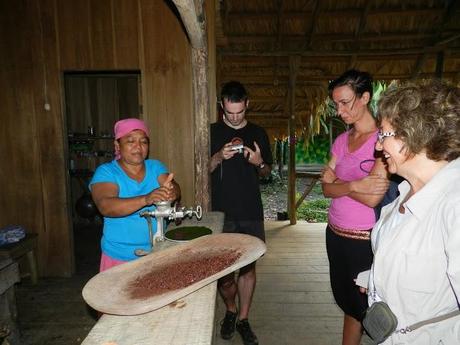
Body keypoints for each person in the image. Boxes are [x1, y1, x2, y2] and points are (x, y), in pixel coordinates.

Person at [366, 80, 460, 344]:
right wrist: (377, 282)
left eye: (383, 134)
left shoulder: (455, 203)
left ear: (412, 134)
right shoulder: (406, 190)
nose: (377, 146)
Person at [321, 70, 389, 345]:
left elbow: (374, 197)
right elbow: (326, 189)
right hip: (334, 234)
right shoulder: (341, 141)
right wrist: (352, 185)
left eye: (345, 102)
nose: (339, 110)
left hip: (364, 239)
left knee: (370, 308)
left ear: (365, 97)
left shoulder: (383, 141)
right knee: (350, 305)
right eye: (336, 104)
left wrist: (339, 182)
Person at [210, 81, 273, 345]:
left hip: (250, 211)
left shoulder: (258, 132)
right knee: (224, 275)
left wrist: (259, 164)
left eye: (239, 111)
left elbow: (268, 173)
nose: (234, 117)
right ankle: (231, 310)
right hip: (220, 213)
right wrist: (217, 157)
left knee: (247, 269)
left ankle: (244, 319)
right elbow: (202, 170)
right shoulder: (211, 132)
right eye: (229, 112)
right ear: (221, 105)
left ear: (247, 104)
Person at [89, 118, 180, 272]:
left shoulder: (155, 166)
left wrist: (172, 191)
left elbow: (173, 186)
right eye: (130, 141)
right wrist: (146, 199)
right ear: (117, 145)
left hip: (157, 252)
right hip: (119, 258)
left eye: (143, 142)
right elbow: (106, 206)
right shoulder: (107, 172)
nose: (138, 147)